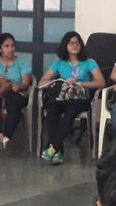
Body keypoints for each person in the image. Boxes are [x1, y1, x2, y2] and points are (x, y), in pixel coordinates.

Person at [38, 31, 104, 165]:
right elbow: (42, 82)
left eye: (78, 43)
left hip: (80, 98)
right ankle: (57, 151)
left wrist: (81, 84)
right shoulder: (59, 63)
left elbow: (101, 82)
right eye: (71, 43)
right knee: (52, 110)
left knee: (70, 112)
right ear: (65, 45)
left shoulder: (89, 62)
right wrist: (61, 81)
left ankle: (52, 148)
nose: (75, 45)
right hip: (63, 97)